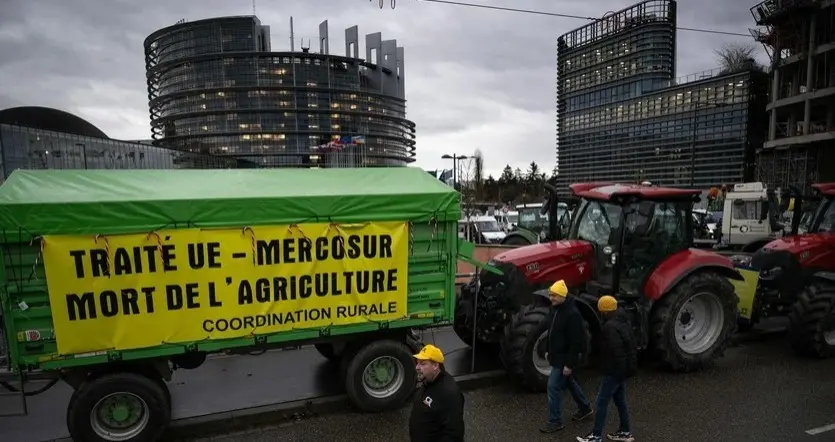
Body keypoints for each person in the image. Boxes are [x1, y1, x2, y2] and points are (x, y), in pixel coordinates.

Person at [577, 295, 638, 442]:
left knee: (601, 403)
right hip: (624, 370)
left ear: (604, 311)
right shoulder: (623, 321)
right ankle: (625, 431)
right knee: (620, 401)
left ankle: (596, 435)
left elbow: (615, 352)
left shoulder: (609, 327)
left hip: (614, 371)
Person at [540, 279, 594, 433]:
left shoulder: (573, 315)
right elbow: (550, 332)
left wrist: (569, 364)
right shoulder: (555, 309)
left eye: (554, 296)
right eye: (551, 295)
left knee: (552, 387)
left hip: (564, 358)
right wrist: (547, 349)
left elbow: (576, 342)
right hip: (556, 356)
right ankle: (585, 409)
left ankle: (555, 421)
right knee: (570, 383)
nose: (551, 298)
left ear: (563, 296)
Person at [409, 344, 465, 442]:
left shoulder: (449, 393)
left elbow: (453, 433)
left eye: (423, 363)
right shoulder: (428, 381)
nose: (417, 367)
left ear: (435, 366)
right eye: (417, 363)